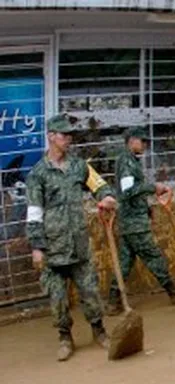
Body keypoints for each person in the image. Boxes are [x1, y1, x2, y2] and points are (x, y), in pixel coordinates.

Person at [25, 113, 118, 361]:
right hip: (53, 248)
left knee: (91, 292)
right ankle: (65, 338)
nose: (68, 139)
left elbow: (100, 185)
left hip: (79, 245)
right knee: (57, 299)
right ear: (51, 136)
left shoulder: (79, 166)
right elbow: (34, 213)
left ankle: (99, 332)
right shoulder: (38, 174)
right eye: (64, 135)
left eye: (70, 135)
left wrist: (106, 197)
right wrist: (37, 246)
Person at [107, 126, 175, 315]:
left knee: (125, 263)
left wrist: (146, 208)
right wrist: (154, 187)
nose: (145, 144)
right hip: (134, 224)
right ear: (131, 141)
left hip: (131, 221)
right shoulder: (127, 161)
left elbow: (131, 191)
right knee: (153, 256)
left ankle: (113, 301)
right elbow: (128, 191)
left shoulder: (130, 160)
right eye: (142, 141)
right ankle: (173, 291)